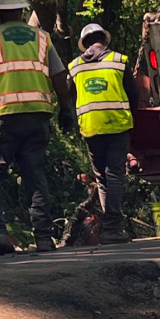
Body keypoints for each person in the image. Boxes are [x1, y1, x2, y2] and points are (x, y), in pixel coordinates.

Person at [0, 0, 71, 254]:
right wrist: (66, 108)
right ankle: (44, 237)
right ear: (23, 10)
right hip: (36, 116)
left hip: (0, 117)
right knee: (35, 174)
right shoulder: (41, 38)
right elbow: (59, 75)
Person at [63, 23, 140, 244]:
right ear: (104, 40)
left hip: (91, 127)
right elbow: (133, 94)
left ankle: (110, 227)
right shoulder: (118, 60)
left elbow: (68, 96)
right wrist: (130, 118)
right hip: (117, 124)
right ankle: (112, 228)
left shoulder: (75, 66)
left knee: (102, 178)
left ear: (84, 44)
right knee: (115, 174)